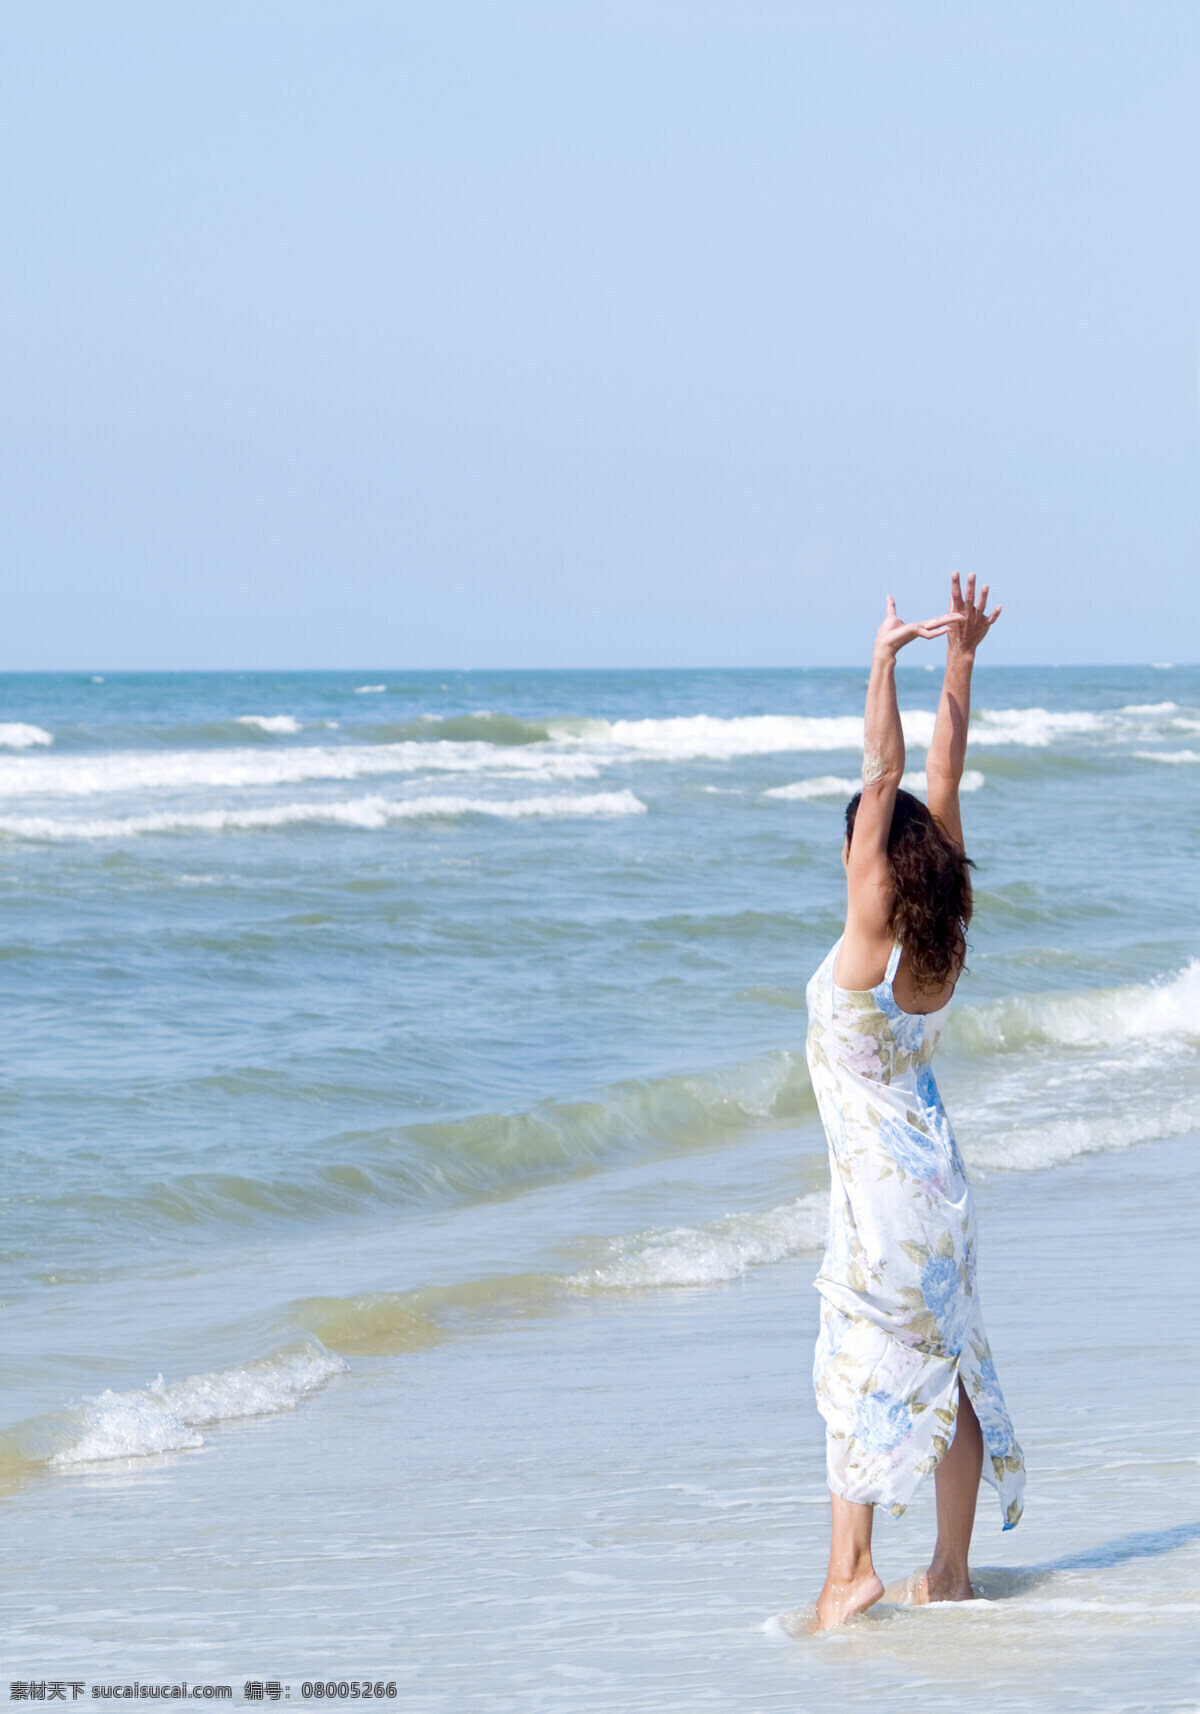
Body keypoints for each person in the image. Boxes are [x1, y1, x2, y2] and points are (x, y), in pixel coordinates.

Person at [804, 573, 1025, 1631]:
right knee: (953, 1364)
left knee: (856, 1361)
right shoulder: (940, 940)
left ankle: (852, 1570)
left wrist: (885, 657)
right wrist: (965, 657)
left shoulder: (863, 942)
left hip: (879, 1206)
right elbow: (939, 770)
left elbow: (890, 767)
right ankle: (951, 1568)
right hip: (942, 1186)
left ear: (870, 859)